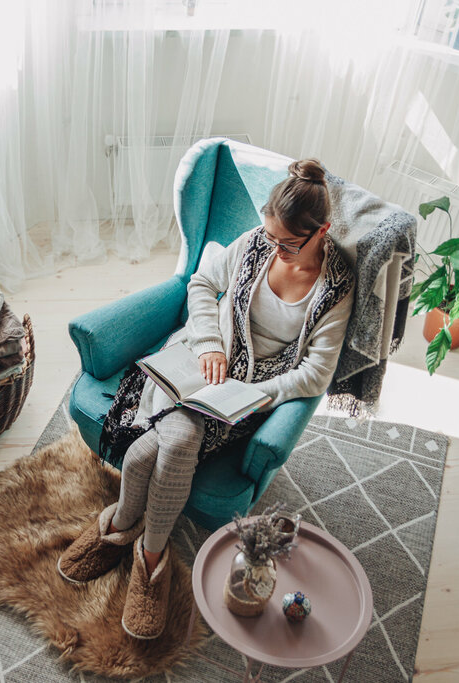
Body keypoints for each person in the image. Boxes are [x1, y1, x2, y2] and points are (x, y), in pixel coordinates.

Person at [58, 159, 355, 640]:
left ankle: (130, 542)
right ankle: (144, 553)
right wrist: (210, 345)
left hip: (251, 391)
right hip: (201, 356)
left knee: (157, 451)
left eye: (287, 243)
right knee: (171, 446)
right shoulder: (258, 242)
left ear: (321, 231)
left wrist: (258, 396)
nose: (274, 250)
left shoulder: (336, 287)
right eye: (269, 236)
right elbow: (201, 282)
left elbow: (316, 373)